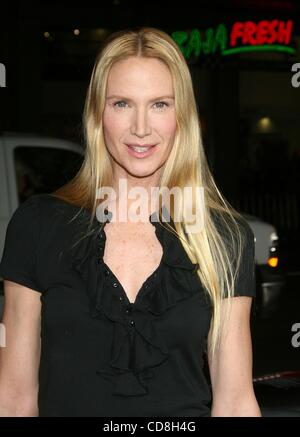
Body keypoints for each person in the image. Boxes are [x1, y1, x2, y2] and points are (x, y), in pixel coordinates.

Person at [0, 27, 261, 417]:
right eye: (122, 103)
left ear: (182, 116)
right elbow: (14, 396)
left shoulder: (223, 237)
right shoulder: (38, 225)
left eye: (160, 104)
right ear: (97, 113)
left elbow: (235, 399)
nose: (141, 127)